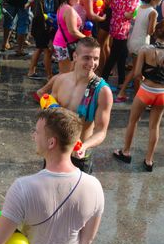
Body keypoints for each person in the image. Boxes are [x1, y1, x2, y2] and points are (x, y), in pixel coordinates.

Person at [0, 107, 104, 244]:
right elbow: (88, 239)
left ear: (51, 143)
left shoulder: (23, 188)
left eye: (37, 132)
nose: (33, 136)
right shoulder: (94, 187)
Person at [37, 37, 112, 172]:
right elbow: (50, 114)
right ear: (75, 56)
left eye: (96, 58)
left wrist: (84, 146)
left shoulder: (102, 91)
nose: (92, 63)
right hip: (54, 152)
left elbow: (101, 131)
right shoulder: (60, 80)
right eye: (87, 58)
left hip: (78, 157)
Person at [114, 20, 164, 171]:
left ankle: (126, 152)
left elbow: (136, 74)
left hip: (146, 90)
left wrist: (143, 79)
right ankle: (149, 160)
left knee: (133, 121)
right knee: (154, 126)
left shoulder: (145, 50)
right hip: (163, 93)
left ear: (156, 33)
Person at [115, 0, 161, 102]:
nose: (160, 1)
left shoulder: (140, 7)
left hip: (133, 40)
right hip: (141, 43)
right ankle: (131, 94)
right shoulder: (153, 12)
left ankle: (130, 92)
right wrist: (158, 26)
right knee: (137, 70)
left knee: (137, 69)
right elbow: (150, 31)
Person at [102, 0, 142, 88]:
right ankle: (103, 78)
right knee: (115, 54)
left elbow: (112, 6)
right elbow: (129, 15)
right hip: (124, 28)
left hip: (114, 25)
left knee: (121, 54)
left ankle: (121, 80)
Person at [27, 0, 61, 80]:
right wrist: (48, 25)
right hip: (41, 28)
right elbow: (38, 16)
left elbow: (56, 11)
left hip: (49, 27)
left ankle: (31, 71)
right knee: (46, 50)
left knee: (40, 49)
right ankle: (49, 75)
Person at [53, 0, 86, 73]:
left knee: (64, 73)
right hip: (65, 45)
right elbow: (73, 31)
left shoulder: (62, 6)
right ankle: (54, 86)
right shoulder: (69, 10)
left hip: (62, 42)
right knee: (65, 74)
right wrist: (87, 38)